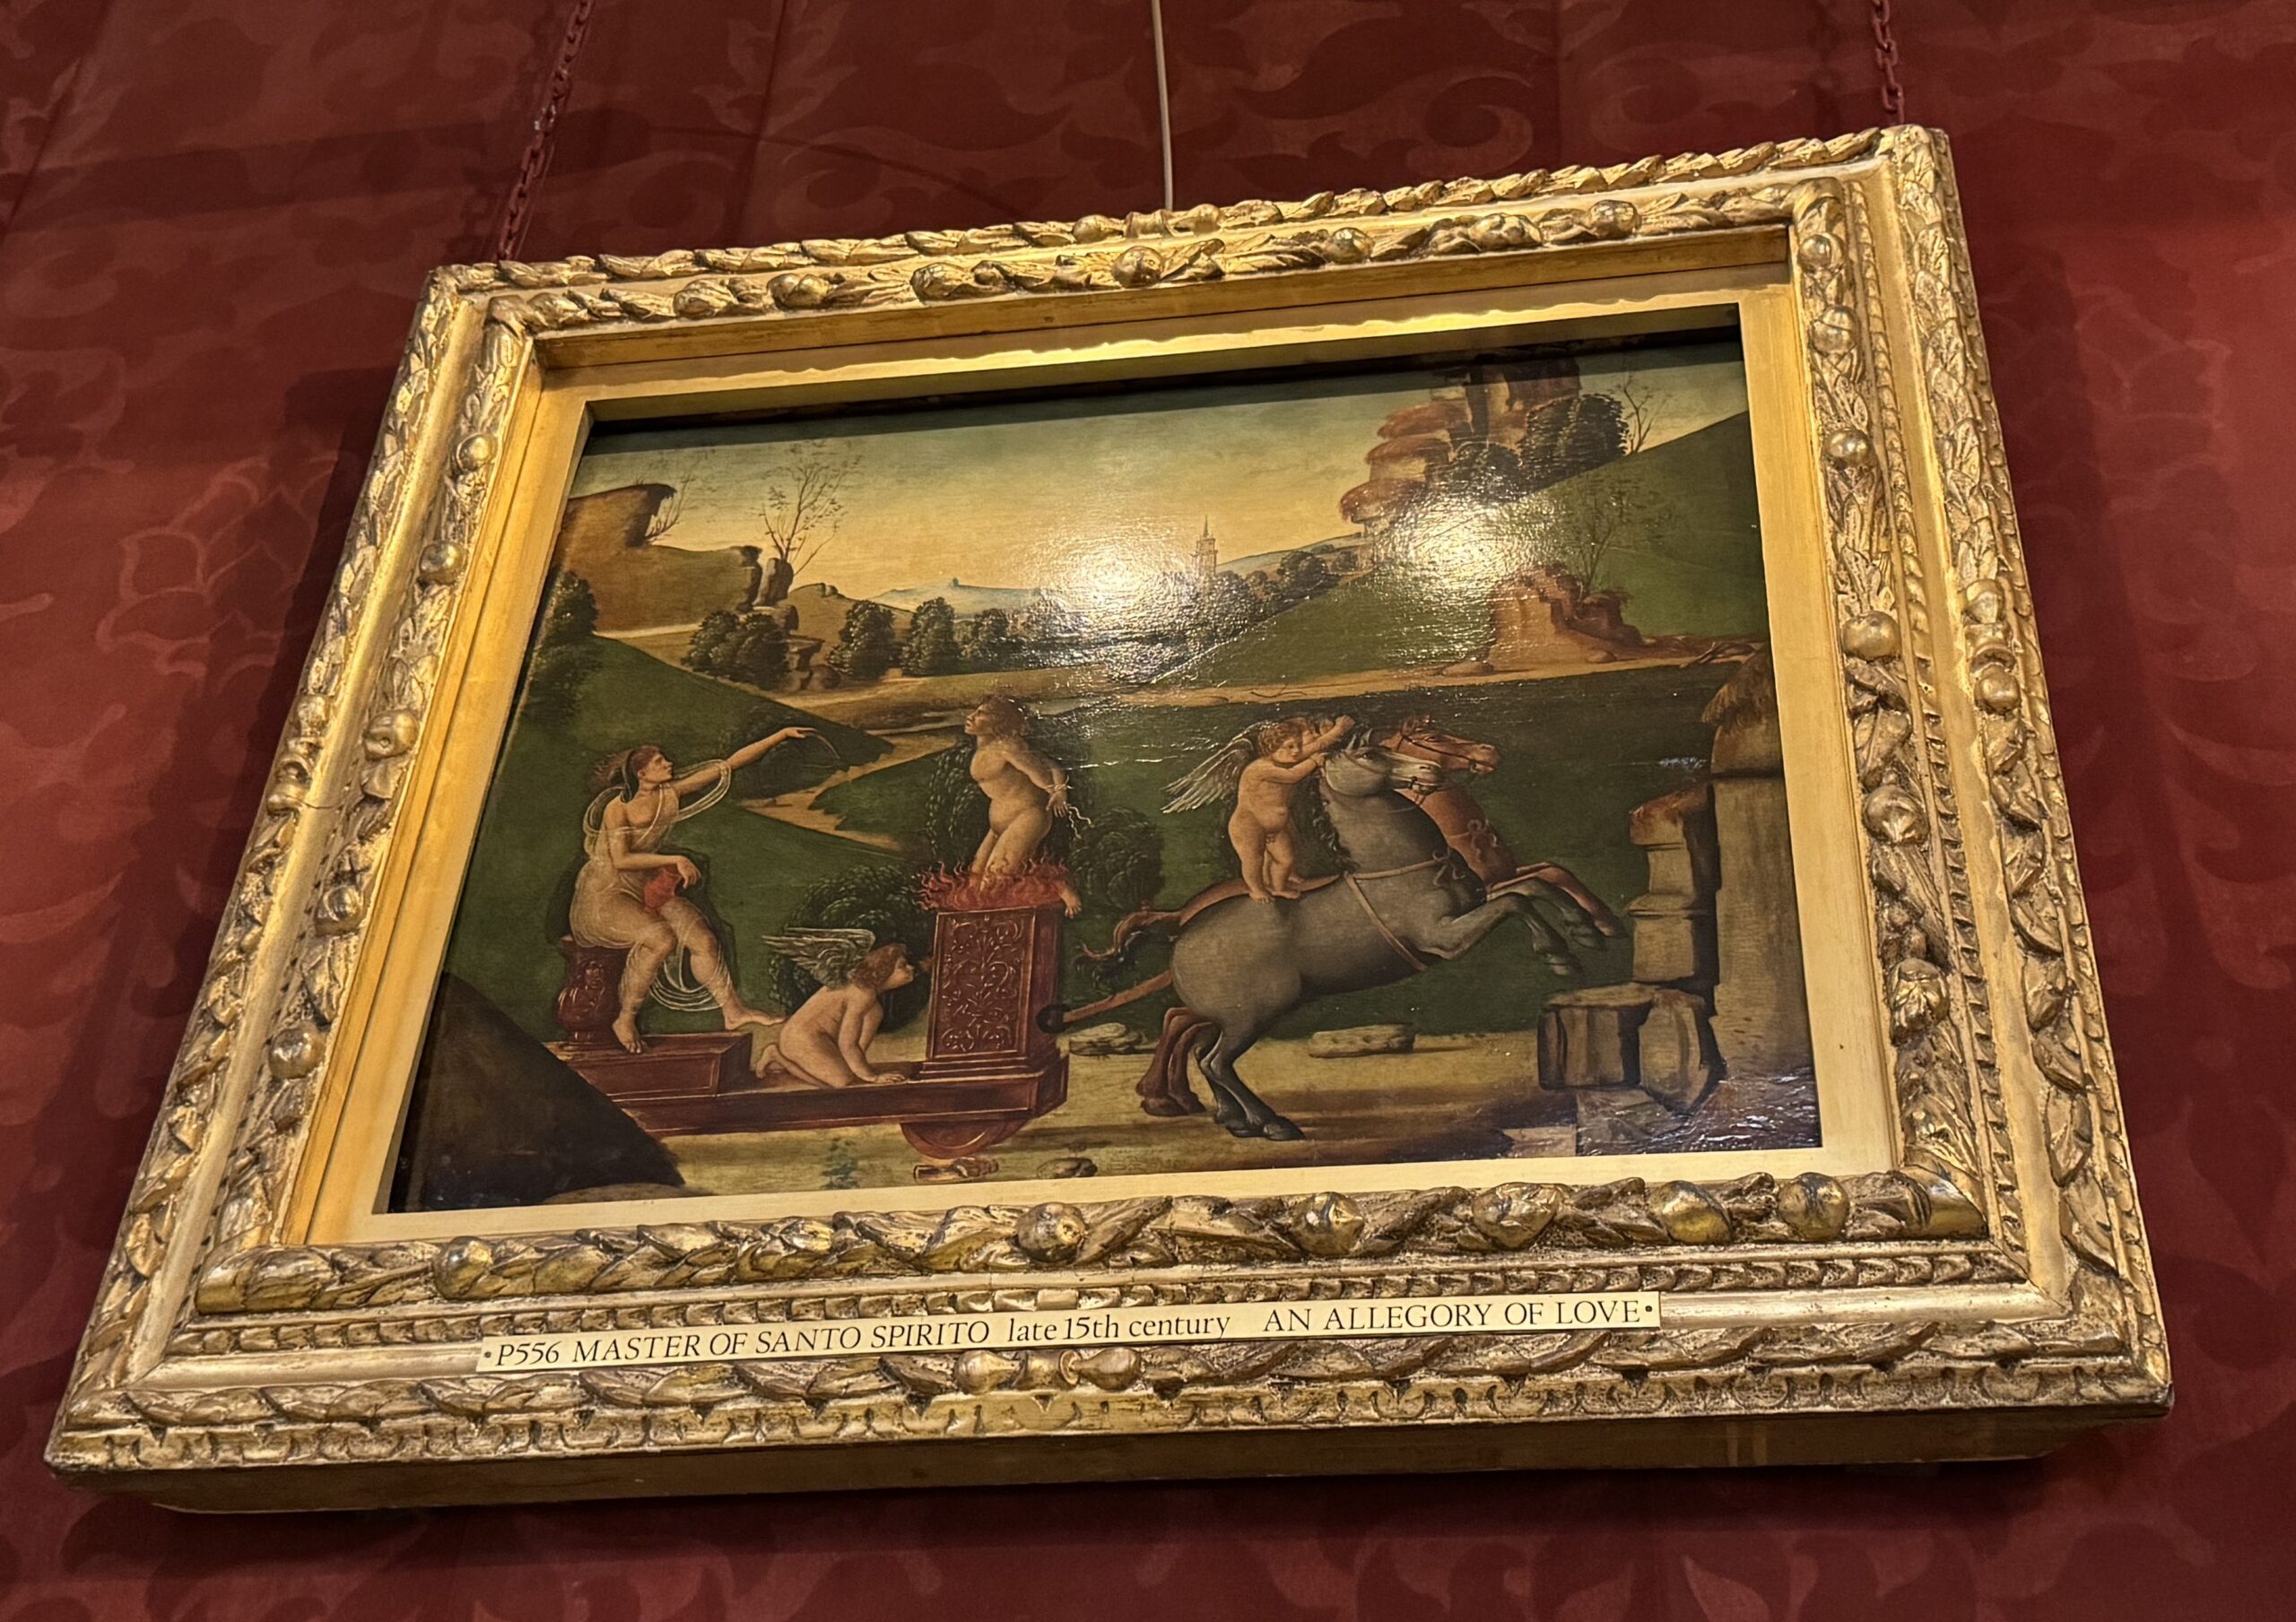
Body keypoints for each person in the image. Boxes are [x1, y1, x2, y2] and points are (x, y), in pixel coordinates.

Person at [574, 726, 816, 1052]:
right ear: (641, 774)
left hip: (646, 886)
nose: (669, 764)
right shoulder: (617, 808)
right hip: (607, 892)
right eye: (660, 762)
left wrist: (780, 735)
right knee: (661, 938)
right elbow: (621, 860)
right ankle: (626, 1018)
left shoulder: (670, 795)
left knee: (703, 940)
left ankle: (733, 1012)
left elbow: (730, 764)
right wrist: (675, 859)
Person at [963, 695, 1083, 915]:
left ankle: (1059, 885)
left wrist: (1054, 791)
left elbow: (1037, 772)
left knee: (992, 885)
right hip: (998, 825)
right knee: (974, 884)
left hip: (1027, 816)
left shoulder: (1008, 747)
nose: (970, 717)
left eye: (980, 714)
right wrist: (1060, 789)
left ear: (998, 722)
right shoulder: (987, 747)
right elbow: (1050, 764)